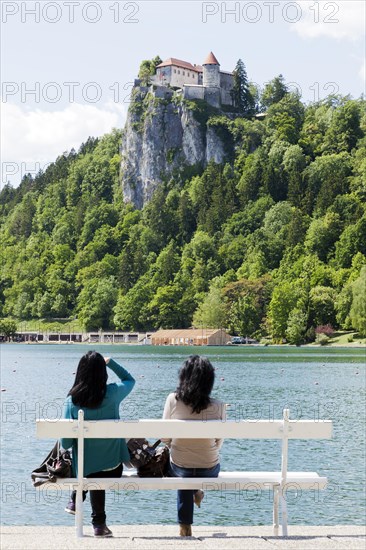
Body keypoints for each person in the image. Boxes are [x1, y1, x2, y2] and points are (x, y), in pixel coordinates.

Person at [61, 351, 135, 538]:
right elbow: (130, 379)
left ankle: (76, 499)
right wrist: (110, 362)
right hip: (113, 469)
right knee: (99, 468)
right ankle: (99, 525)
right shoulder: (113, 393)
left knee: (87, 467)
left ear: (80, 372)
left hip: (82, 471)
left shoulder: (71, 401)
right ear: (103, 373)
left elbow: (65, 443)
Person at [162, 355, 226, 537]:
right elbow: (218, 442)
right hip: (210, 468)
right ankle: (196, 491)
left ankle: (185, 527)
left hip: (179, 468)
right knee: (189, 469)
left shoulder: (172, 400)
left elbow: (164, 437)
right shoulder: (219, 406)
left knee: (183, 469)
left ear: (183, 376)